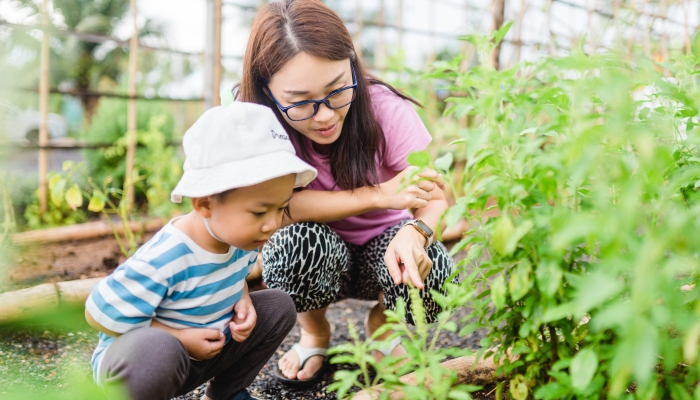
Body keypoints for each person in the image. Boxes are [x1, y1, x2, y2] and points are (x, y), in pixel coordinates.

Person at [235, 0, 458, 388]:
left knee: (434, 266)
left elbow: (438, 195)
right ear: (268, 92)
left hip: (384, 250)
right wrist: (378, 195)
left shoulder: (384, 108)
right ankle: (315, 333)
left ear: (352, 65)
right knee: (290, 248)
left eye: (337, 89)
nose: (323, 115)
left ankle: (383, 325)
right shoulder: (256, 123)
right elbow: (278, 209)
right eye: (300, 101)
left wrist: (416, 232)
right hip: (320, 252)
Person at [83, 102, 318, 400]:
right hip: (140, 368)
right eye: (259, 212)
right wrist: (179, 338)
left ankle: (225, 394)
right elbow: (98, 313)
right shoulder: (167, 256)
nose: (272, 224)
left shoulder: (241, 239)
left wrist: (242, 298)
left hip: (204, 351)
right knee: (157, 349)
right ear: (204, 203)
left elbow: (236, 277)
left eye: (281, 208)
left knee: (278, 306)